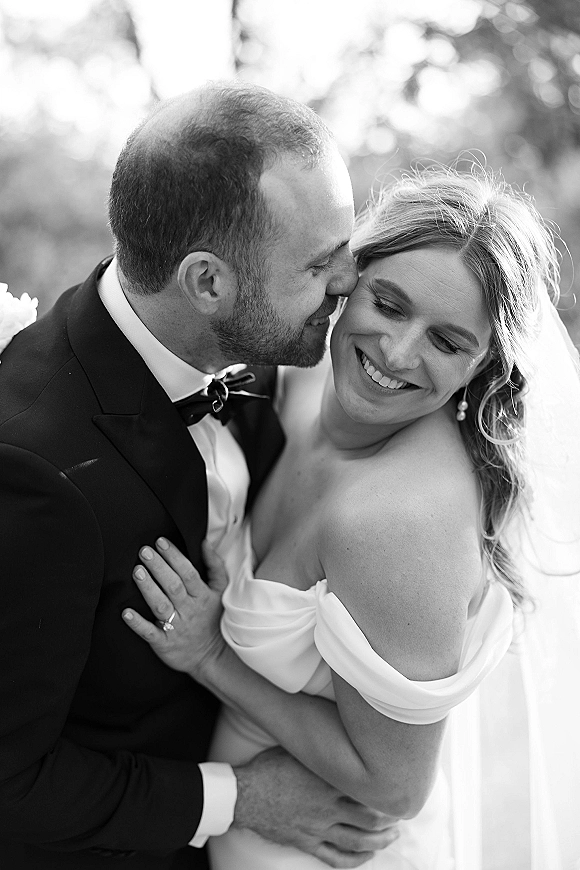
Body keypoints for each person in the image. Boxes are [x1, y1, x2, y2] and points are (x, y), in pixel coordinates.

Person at [123, 167, 580, 869]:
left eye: (448, 342)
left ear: (485, 366)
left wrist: (213, 657)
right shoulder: (303, 381)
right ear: (347, 278)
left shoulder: (399, 522)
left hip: (328, 851)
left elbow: (395, 783)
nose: (397, 354)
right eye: (389, 305)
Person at [0, 82, 403, 869]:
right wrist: (238, 799)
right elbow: (11, 777)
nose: (348, 283)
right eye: (320, 263)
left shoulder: (247, 351)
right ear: (208, 283)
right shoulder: (34, 473)